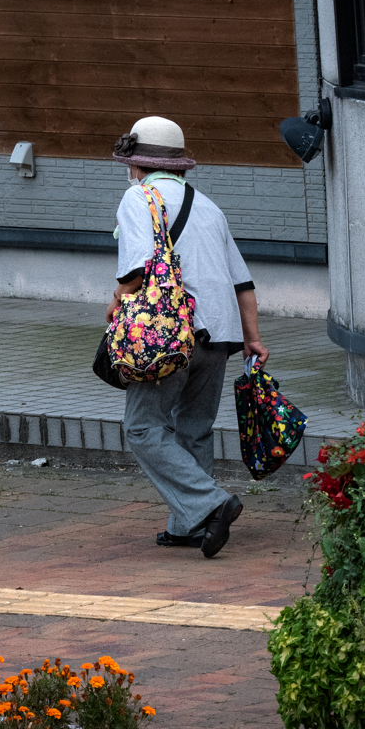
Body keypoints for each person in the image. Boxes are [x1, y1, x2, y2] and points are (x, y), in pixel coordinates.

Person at [107, 116, 269, 558]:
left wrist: (116, 302)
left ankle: (211, 504)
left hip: (171, 332)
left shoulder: (139, 197)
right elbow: (242, 282)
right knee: (193, 428)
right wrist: (252, 339)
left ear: (136, 164)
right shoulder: (209, 207)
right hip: (221, 333)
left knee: (143, 428)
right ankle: (188, 526)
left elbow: (136, 270)